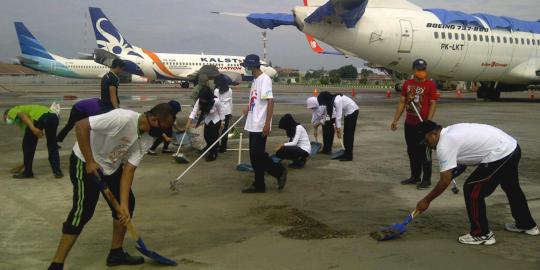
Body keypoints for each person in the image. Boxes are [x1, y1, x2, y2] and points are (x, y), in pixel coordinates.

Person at [48, 103, 174, 270]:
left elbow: (129, 170)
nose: (164, 133)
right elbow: (81, 125)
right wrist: (90, 161)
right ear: (153, 119)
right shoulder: (122, 118)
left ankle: (116, 253)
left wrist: (123, 205)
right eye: (164, 127)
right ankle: (56, 264)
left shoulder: (148, 137)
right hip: (84, 161)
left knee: (128, 204)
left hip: (111, 167)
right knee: (83, 211)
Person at [415, 120, 538, 246]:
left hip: (501, 152)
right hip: (512, 147)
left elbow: (445, 180)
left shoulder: (444, 144)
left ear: (433, 134)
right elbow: (462, 162)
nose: (427, 146)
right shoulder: (450, 131)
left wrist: (426, 200)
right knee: (511, 187)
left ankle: (481, 234)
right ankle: (526, 224)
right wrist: (453, 172)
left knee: (472, 189)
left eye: (426, 141)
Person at [241, 54, 287, 193]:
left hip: (260, 123)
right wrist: (248, 108)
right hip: (252, 122)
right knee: (254, 156)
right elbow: (255, 100)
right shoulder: (255, 80)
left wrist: (267, 124)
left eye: (247, 67)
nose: (246, 69)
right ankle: (259, 184)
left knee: (258, 155)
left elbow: (270, 101)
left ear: (252, 66)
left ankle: (279, 172)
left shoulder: (264, 79)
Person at [391, 59, 438, 189]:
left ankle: (426, 179)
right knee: (412, 151)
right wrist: (395, 120)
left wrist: (428, 122)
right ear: (413, 70)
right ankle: (415, 176)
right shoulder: (407, 84)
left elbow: (433, 103)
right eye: (419, 69)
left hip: (423, 124)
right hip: (410, 124)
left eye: (423, 69)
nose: (421, 72)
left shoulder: (430, 85)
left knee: (425, 152)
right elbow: (402, 102)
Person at [4, 105, 63, 179]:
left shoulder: (12, 110)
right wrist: (23, 165)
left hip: (39, 117)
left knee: (27, 145)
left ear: (6, 114)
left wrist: (33, 128)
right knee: (52, 144)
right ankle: (57, 171)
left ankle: (28, 172)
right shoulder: (27, 111)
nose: (7, 120)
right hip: (53, 117)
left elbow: (22, 115)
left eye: (5, 118)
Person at [185, 86, 224, 161]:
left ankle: (213, 154)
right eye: (201, 98)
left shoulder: (216, 101)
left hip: (216, 120)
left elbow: (221, 111)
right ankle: (210, 149)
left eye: (204, 99)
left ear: (208, 96)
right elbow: (194, 112)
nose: (202, 101)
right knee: (206, 136)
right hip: (207, 120)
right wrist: (188, 123)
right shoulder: (199, 101)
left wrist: (222, 122)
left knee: (213, 138)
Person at [317, 91, 359, 161]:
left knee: (348, 135)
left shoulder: (337, 100)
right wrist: (326, 122)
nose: (324, 104)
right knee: (346, 134)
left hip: (353, 112)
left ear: (326, 99)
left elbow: (338, 115)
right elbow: (330, 115)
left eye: (324, 102)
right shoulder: (331, 101)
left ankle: (349, 156)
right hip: (348, 113)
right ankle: (346, 153)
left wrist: (338, 128)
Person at [214, 74, 233, 153]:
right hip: (227, 112)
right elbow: (231, 102)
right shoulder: (230, 90)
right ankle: (224, 147)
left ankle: (216, 145)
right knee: (225, 130)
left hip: (219, 112)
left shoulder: (216, 90)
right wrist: (231, 112)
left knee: (216, 130)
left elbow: (215, 102)